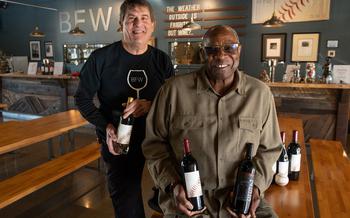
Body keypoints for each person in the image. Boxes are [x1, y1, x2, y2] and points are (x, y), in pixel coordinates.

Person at [142, 25, 282, 218]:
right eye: (212, 50)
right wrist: (173, 185)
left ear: (239, 50)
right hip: (188, 201)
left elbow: (270, 149)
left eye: (229, 48)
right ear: (202, 53)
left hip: (241, 199)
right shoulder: (172, 91)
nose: (221, 56)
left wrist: (255, 187)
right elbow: (153, 146)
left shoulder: (260, 94)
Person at [74, 0, 174, 217]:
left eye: (144, 18)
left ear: (153, 24)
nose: (138, 24)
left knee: (171, 195)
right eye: (131, 18)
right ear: (121, 23)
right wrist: (106, 126)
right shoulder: (101, 59)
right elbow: (82, 99)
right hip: (119, 140)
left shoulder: (161, 60)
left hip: (157, 140)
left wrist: (151, 105)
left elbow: (171, 102)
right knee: (127, 203)